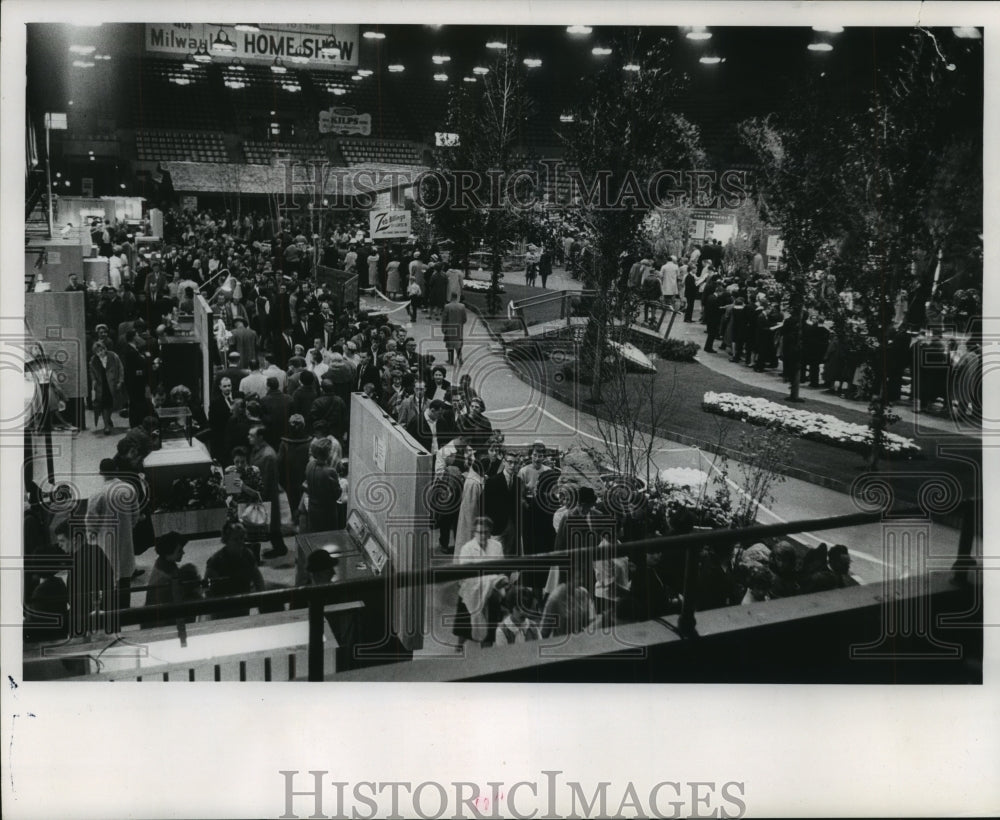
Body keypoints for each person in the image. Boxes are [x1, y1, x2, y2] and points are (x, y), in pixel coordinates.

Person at [85, 457, 141, 613]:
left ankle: (109, 610)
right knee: (125, 575)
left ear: (101, 473)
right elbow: (135, 515)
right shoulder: (128, 489)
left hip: (105, 542)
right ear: (116, 470)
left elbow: (91, 521)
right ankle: (125, 609)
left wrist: (92, 536)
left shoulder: (98, 493)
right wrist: (128, 528)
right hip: (125, 540)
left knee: (108, 577)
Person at [453, 516, 508, 649]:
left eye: (486, 532)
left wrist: (500, 580)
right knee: (464, 629)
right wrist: (490, 580)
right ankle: (459, 647)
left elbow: (500, 568)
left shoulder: (497, 546)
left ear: (490, 533)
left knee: (488, 633)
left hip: (490, 593)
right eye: (479, 532)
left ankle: (486, 653)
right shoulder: (467, 549)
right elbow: (467, 576)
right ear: (474, 532)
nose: (482, 535)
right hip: (470, 593)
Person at [205, 521, 265, 618]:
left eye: (242, 538)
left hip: (243, 603)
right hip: (223, 608)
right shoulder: (216, 560)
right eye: (236, 539)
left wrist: (262, 602)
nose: (241, 542)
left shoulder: (247, 554)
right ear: (226, 540)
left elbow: (258, 579)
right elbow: (207, 588)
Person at [248, 424, 288, 559]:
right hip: (261, 494)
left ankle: (279, 548)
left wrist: (258, 496)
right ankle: (279, 547)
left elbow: (266, 480)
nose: (249, 437)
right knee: (268, 525)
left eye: (252, 435)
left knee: (269, 525)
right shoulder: (258, 450)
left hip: (266, 496)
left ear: (260, 437)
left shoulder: (268, 455)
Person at [141, 531, 191, 630]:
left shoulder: (162, 563)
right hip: (162, 624)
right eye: (179, 551)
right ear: (169, 552)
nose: (183, 553)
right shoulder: (167, 578)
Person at [483, 450, 522, 556]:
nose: (512, 466)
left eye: (515, 463)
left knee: (509, 556)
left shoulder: (518, 481)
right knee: (495, 557)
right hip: (496, 527)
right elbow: (485, 506)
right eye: (510, 462)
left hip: (512, 526)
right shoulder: (492, 481)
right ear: (504, 462)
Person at [277, 414, 312, 526]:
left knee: (292, 500)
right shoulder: (309, 442)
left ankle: (295, 519)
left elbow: (279, 461)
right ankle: (302, 521)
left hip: (289, 478)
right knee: (304, 500)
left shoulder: (285, 443)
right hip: (304, 477)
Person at [303, 437, 343, 533]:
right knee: (328, 537)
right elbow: (337, 494)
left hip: (312, 508)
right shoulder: (330, 472)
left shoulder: (309, 465)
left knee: (315, 535)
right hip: (327, 512)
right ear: (328, 453)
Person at [89, 340, 124, 435]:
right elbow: (92, 373)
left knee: (112, 404)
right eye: (97, 351)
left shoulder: (113, 356)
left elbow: (120, 368)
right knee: (104, 405)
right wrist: (93, 385)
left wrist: (120, 381)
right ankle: (106, 426)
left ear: (105, 349)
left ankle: (108, 418)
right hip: (101, 386)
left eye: (101, 350)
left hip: (112, 384)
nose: (100, 353)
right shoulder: (93, 360)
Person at [441, 292, 467, 366]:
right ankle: (460, 358)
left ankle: (450, 360)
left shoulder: (447, 306)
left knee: (449, 345)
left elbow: (444, 319)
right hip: (459, 329)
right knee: (458, 344)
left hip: (449, 329)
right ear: (457, 297)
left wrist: (443, 328)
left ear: (451, 297)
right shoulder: (462, 306)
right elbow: (465, 319)